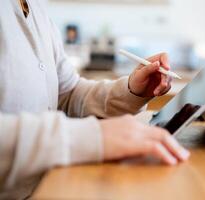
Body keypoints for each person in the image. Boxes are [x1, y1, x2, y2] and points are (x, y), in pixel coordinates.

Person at [0, 0, 190, 199]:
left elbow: (68, 93)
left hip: (49, 185)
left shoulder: (35, 7)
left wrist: (132, 91)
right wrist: (93, 137)